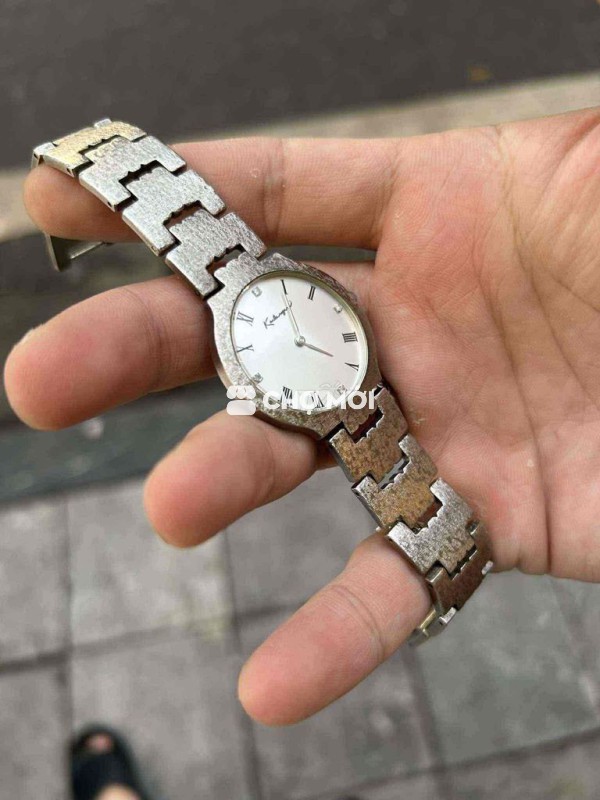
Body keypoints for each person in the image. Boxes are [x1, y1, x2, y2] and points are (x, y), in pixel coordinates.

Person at [6, 108, 600, 733]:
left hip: (353, 385)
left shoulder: (307, 300)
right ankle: (453, 557)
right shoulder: (239, 329)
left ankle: (453, 557)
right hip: (327, 393)